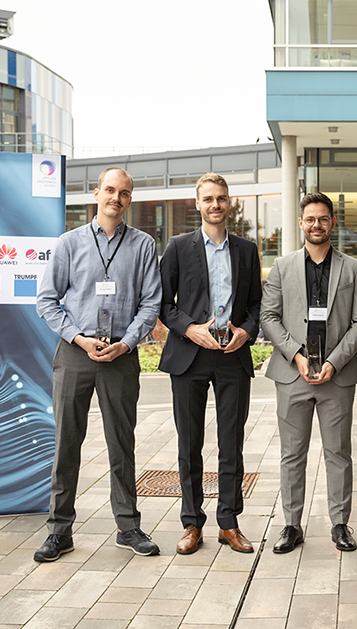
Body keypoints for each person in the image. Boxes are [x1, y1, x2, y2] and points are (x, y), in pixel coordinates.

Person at [35, 167, 162, 561]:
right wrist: (78, 337)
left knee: (121, 444)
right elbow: (46, 301)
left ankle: (128, 527)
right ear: (96, 193)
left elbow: (152, 303)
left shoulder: (143, 245)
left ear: (130, 199)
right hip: (75, 353)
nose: (116, 198)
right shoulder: (69, 243)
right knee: (66, 442)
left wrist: (125, 344)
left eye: (124, 193)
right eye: (110, 190)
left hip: (120, 357)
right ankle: (60, 531)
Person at [260, 192, 357, 553]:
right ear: (300, 223)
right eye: (310, 219)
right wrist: (295, 355)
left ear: (332, 223)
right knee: (292, 454)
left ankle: (340, 524)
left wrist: (333, 361)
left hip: (335, 376)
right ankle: (291, 525)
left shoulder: (352, 269)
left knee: (338, 452)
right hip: (293, 374)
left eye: (323, 219)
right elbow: (268, 318)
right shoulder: (282, 266)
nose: (316, 225)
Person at [158, 173, 262, 555]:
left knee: (231, 443)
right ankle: (191, 523)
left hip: (232, 356)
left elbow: (255, 306)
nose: (215, 205)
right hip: (189, 357)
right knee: (190, 443)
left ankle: (229, 523)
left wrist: (245, 332)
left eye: (221, 198)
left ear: (229, 202)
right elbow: (163, 304)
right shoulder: (178, 247)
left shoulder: (247, 250)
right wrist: (190, 330)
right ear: (197, 204)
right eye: (208, 199)